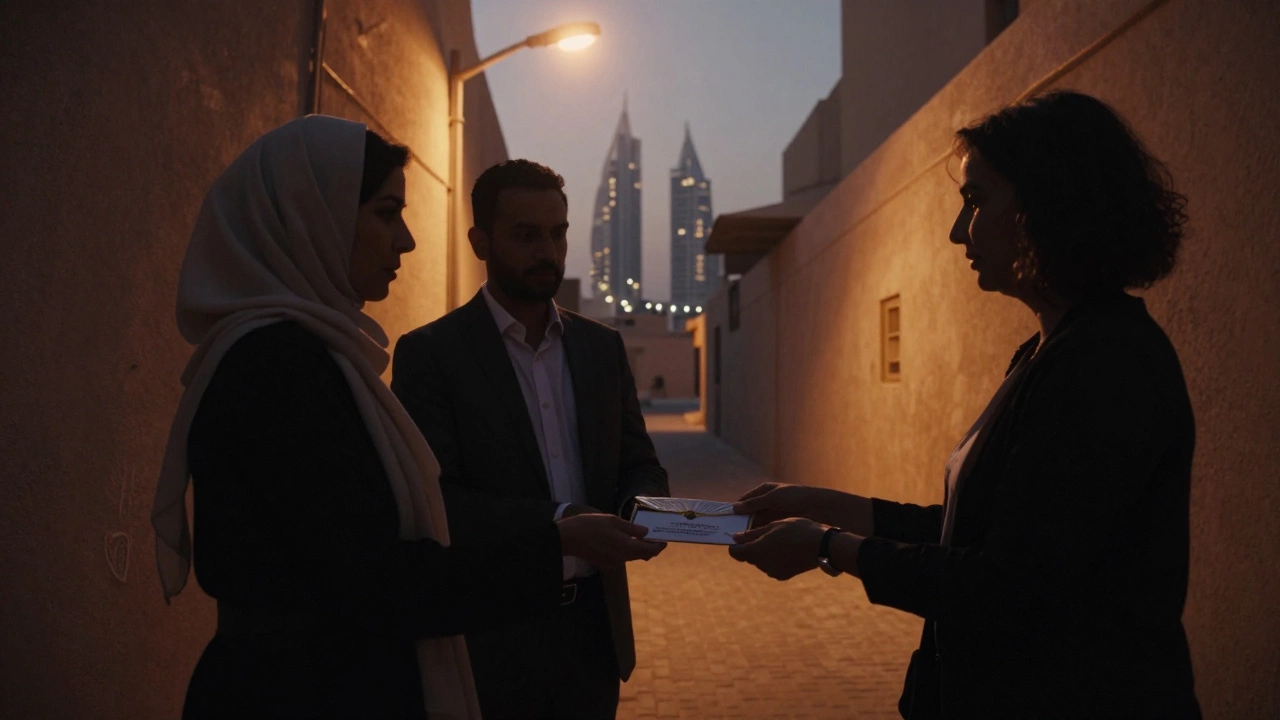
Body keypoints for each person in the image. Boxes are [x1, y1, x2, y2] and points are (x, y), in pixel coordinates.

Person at [149, 117, 650, 720]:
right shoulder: (277, 369)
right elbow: (382, 578)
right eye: (387, 213)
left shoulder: (317, 356)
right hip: (297, 691)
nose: (407, 240)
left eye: (557, 233)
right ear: (317, 216)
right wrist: (555, 541)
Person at [727, 90, 1200, 719]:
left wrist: (827, 547)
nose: (957, 231)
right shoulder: (1045, 353)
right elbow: (976, 536)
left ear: (1045, 206)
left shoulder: (1105, 366)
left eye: (974, 201)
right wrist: (826, 507)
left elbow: (1007, 586)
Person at [392, 159, 670, 720]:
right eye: (526, 235)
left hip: (594, 635)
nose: (548, 250)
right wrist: (564, 526)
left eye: (558, 233)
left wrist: (645, 512)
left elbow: (639, 462)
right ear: (480, 240)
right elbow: (438, 502)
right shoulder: (432, 356)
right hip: (493, 636)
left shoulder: (601, 349)